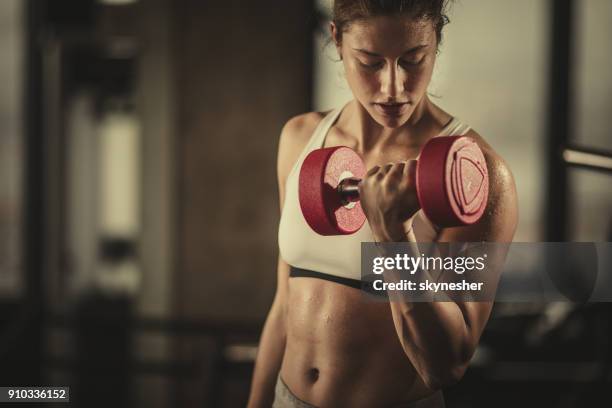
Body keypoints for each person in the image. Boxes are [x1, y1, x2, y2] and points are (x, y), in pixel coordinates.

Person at [248, 0, 518, 406]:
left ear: (436, 42)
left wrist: (393, 234)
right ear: (338, 40)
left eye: (413, 60)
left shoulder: (475, 175)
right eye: (370, 62)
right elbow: (284, 305)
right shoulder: (301, 138)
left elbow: (446, 364)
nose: (393, 87)